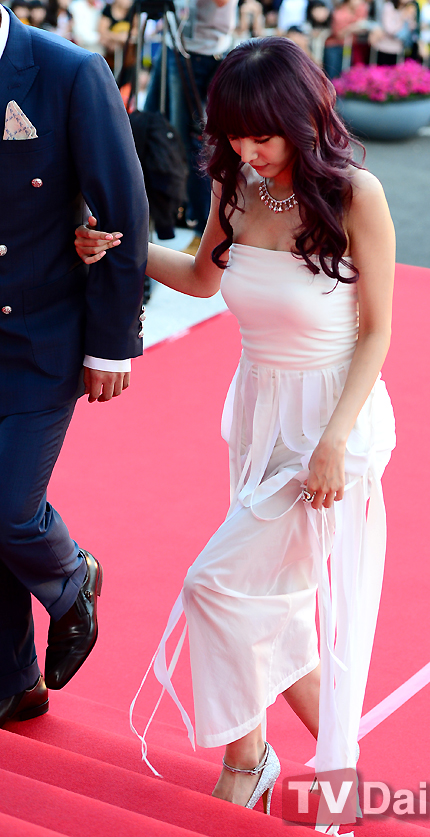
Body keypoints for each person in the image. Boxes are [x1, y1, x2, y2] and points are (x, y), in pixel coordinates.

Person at [75, 37, 395, 826]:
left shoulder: (356, 195)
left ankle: (250, 762)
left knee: (215, 585)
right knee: (269, 605)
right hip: (259, 415)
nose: (249, 151)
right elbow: (200, 277)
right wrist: (117, 248)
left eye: (263, 135)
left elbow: (378, 331)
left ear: (302, 118)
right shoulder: (236, 185)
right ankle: (334, 765)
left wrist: (334, 441)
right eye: (234, 135)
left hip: (333, 421)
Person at [0, 4, 148, 728]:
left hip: (40, 338)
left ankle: (71, 575)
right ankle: (14, 682)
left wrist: (112, 342)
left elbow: (123, 211)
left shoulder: (68, 70)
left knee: (8, 508)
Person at [144, 0, 239, 255]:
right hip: (173, 43)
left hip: (199, 54)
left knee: (186, 142)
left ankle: (203, 230)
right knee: (145, 125)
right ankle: (151, 214)